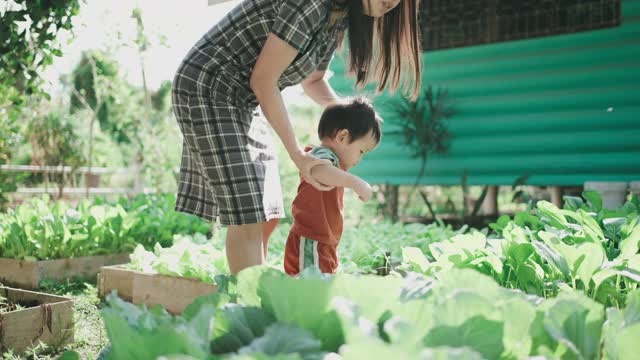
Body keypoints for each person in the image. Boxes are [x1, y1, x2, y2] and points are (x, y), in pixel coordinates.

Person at [171, 0, 422, 274]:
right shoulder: (311, 3)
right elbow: (264, 80)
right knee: (248, 214)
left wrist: (351, 116)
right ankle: (250, 304)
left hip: (244, 99)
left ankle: (257, 289)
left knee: (268, 211)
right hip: (209, 86)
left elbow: (313, 81)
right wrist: (296, 154)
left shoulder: (338, 16)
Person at [284, 98, 380, 275]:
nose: (360, 159)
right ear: (342, 137)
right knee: (311, 288)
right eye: (361, 151)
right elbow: (319, 172)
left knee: (323, 286)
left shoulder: (333, 163)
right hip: (311, 239)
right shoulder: (320, 156)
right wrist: (355, 182)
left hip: (323, 241)